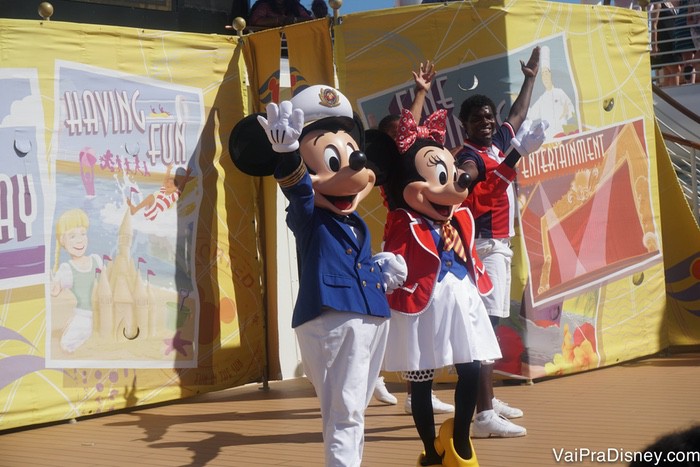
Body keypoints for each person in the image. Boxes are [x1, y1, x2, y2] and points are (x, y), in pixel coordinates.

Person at [230, 84, 407, 467]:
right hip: (331, 317)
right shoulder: (308, 217)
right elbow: (300, 193)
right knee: (344, 411)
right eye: (330, 156)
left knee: (354, 408)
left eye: (351, 152)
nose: (353, 166)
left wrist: (380, 270)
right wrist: (289, 153)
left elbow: (350, 261)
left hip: (370, 316)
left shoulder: (355, 221)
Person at [455, 46, 542, 439]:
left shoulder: (495, 142)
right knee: (485, 332)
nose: (487, 123)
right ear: (466, 126)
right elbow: (471, 183)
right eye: (478, 119)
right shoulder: (470, 156)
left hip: (501, 248)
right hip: (484, 249)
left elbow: (517, 116)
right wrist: (468, 176)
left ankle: (486, 401)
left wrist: (530, 78)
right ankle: (484, 414)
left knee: (489, 329)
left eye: (489, 116)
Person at [371, 64, 455, 415]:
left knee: (422, 313)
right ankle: (374, 372)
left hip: (424, 238)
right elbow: (410, 135)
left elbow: (417, 134)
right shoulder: (388, 169)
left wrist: (420, 90)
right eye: (397, 136)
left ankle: (417, 391)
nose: (405, 139)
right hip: (403, 237)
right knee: (398, 313)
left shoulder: (414, 158)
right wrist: (419, 95)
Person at [51, 208, 104, 353]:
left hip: (103, 312)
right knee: (67, 344)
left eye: (83, 234)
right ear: (62, 240)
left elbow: (106, 282)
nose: (79, 239)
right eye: (72, 236)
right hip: (84, 315)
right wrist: (55, 282)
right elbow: (55, 291)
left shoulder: (96, 260)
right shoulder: (67, 268)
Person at [527, 45, 575, 139]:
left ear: (550, 74)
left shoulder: (560, 93)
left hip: (564, 136)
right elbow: (530, 115)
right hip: (550, 140)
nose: (545, 77)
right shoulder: (542, 100)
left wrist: (566, 112)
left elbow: (571, 109)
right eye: (543, 74)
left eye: (546, 73)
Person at [650, 0, 682, 86]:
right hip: (664, 42)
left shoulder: (670, 4)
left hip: (672, 42)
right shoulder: (658, 3)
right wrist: (654, 45)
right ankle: (675, 95)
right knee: (676, 69)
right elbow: (654, 24)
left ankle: (667, 95)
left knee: (668, 73)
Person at [248, 0, 313, 28]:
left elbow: (310, 20)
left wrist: (294, 20)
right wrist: (277, 20)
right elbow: (255, 20)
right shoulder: (264, 6)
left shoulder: (295, 6)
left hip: (294, 43)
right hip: (269, 43)